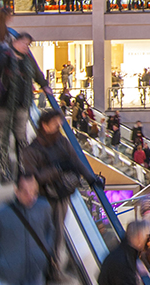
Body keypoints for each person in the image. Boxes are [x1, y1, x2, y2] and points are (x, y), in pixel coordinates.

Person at [21, 109, 101, 273]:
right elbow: (33, 178)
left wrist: (91, 178)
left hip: (62, 193)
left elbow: (75, 160)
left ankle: (52, 267)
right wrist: (57, 170)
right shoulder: (31, 151)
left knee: (57, 232)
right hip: (43, 198)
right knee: (48, 233)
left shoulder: (62, 142)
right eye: (55, 124)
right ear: (44, 125)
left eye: (60, 123)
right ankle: (46, 269)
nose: (59, 126)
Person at [0, 31, 48, 184]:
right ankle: (4, 170)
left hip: (22, 104)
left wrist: (44, 85)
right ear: (15, 42)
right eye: (24, 43)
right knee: (4, 138)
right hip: (4, 104)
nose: (26, 47)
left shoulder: (27, 60)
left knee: (21, 137)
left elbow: (36, 73)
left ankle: (22, 168)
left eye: (28, 45)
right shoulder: (3, 57)